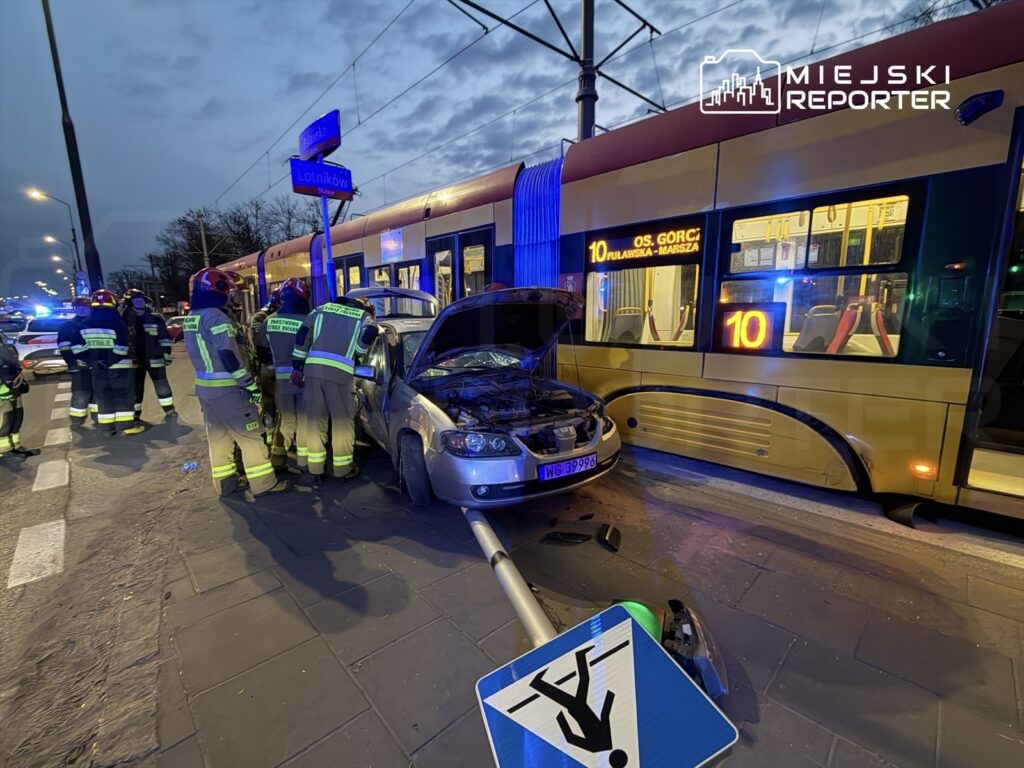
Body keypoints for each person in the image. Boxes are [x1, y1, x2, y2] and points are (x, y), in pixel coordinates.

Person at [183, 268, 288, 497]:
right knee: (251, 436)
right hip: (229, 389)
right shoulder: (216, 317)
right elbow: (228, 355)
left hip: (207, 390)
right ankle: (264, 484)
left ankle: (226, 484)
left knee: (219, 438)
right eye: (233, 292)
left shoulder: (193, 317)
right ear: (219, 291)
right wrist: (249, 384)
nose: (236, 297)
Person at [292, 295, 377, 485]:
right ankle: (342, 470)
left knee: (315, 421)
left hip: (313, 369)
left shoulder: (321, 309)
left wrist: (298, 360)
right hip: (340, 373)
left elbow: (303, 332)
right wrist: (358, 352)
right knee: (342, 423)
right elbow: (370, 332)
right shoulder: (363, 316)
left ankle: (316, 471)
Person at [255, 278, 310, 469]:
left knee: (286, 420)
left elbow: (262, 352)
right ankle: (304, 463)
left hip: (281, 380)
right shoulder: (308, 320)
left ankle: (278, 458)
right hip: (304, 379)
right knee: (304, 421)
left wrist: (270, 373)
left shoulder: (268, 322)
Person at [73, 290, 144, 436]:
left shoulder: (83, 324)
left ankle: (107, 428)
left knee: (103, 397)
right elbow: (122, 348)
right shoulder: (117, 324)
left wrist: (94, 362)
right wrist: (110, 361)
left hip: (97, 369)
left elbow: (78, 349)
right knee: (123, 397)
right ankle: (126, 427)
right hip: (120, 368)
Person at [123, 289, 176, 419]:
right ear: (130, 303)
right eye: (136, 300)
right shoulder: (124, 319)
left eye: (141, 300)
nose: (140, 302)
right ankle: (136, 412)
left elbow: (164, 339)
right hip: (135, 359)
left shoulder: (155, 318)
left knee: (161, 383)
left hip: (155, 357)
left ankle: (169, 409)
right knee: (136, 386)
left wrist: (166, 355)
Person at [1, 331, 40, 461]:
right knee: (4, 420)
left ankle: (15, 447)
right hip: (2, 385)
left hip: (11, 381)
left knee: (16, 417)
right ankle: (4, 452)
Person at [248, 288, 282, 433]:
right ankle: (269, 428)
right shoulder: (260, 318)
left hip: (278, 365)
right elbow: (258, 343)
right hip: (264, 365)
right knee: (268, 399)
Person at [57, 297, 94, 428]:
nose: (82, 310)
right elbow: (64, 348)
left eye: (85, 307)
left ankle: (97, 417)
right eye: (79, 308)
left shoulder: (96, 323)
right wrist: (72, 363)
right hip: (80, 366)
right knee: (81, 393)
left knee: (98, 393)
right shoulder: (68, 326)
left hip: (97, 365)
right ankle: (77, 420)